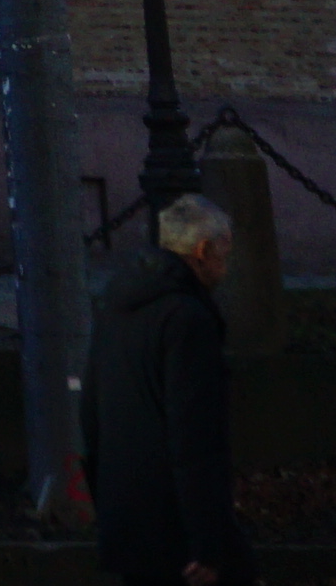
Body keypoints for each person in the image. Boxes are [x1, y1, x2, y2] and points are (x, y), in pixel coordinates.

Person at [85, 192, 254, 586]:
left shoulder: (117, 307)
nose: (226, 264)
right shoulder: (189, 320)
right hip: (175, 527)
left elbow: (91, 411)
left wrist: (108, 506)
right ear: (201, 250)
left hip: (128, 518)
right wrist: (208, 542)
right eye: (223, 253)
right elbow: (195, 437)